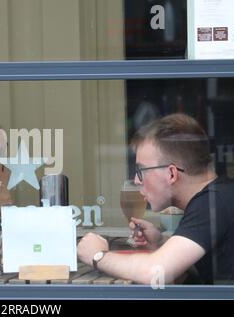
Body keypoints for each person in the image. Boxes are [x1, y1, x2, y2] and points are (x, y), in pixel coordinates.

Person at [77, 113, 234, 284]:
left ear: (172, 173)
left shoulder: (212, 203)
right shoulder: (218, 196)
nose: (136, 180)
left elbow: (156, 272)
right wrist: (160, 244)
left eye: (141, 171)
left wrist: (98, 256)